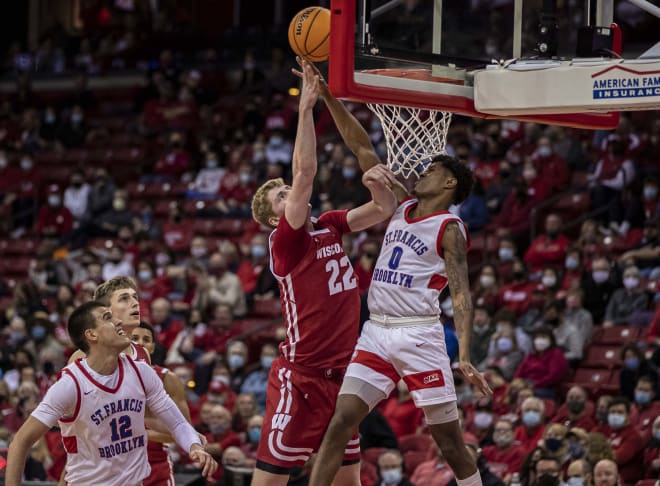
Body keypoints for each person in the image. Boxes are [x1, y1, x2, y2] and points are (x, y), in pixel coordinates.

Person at [298, 63, 491, 486]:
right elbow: (361, 147)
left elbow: (461, 295)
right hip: (377, 332)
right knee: (341, 421)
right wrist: (329, 96)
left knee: (451, 445)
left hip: (419, 335)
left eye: (433, 171)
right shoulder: (403, 205)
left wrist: (463, 355)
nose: (422, 172)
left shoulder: (450, 228)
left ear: (449, 186)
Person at [248, 60, 398, 486]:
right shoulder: (285, 240)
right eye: (281, 196)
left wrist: (375, 180)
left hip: (343, 376)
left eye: (285, 190)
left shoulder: (329, 223)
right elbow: (306, 173)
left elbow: (384, 209)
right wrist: (307, 109)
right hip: (303, 378)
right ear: (273, 217)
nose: (290, 195)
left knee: (347, 482)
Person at [6, 301, 217, 485]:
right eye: (107, 318)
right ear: (91, 334)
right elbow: (20, 442)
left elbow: (178, 423)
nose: (118, 322)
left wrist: (194, 446)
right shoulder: (70, 385)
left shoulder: (141, 372)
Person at [131, 321, 195, 486]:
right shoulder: (105, 379)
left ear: (152, 347)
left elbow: (185, 432)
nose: (140, 343)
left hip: (155, 464)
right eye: (135, 337)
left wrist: (142, 435)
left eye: (146, 339)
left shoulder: (168, 379)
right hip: (115, 464)